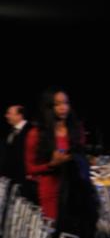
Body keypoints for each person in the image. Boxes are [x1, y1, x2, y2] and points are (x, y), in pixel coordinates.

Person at [24, 89, 89, 224]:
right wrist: (51, 164)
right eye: (58, 104)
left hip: (75, 190)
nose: (63, 107)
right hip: (51, 191)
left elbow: (81, 156)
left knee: (74, 235)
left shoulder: (77, 129)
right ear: (49, 107)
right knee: (54, 233)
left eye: (66, 103)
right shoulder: (36, 134)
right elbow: (30, 168)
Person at [1, 105, 32, 196]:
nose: (6, 116)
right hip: (11, 178)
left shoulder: (30, 130)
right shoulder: (11, 131)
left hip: (25, 179)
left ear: (19, 116)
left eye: (9, 114)